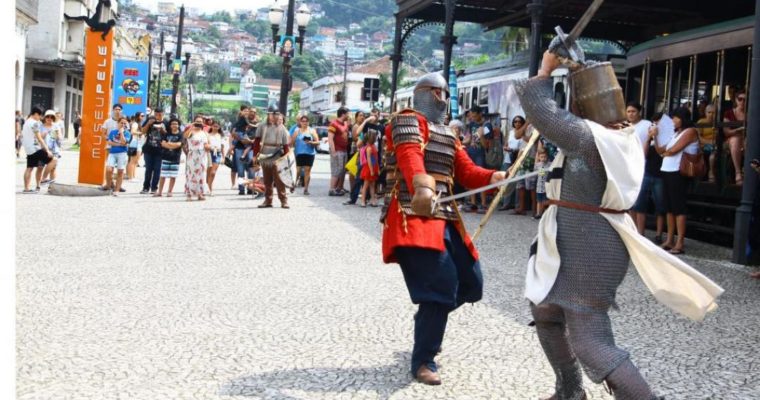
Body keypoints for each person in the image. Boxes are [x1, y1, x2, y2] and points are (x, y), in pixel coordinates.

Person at [516, 45, 723, 400]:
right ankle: (569, 391)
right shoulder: (615, 137)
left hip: (589, 244)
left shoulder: (592, 139)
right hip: (572, 239)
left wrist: (545, 70)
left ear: (583, 106)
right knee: (546, 310)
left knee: (589, 338)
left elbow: (543, 114)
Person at [381, 72, 506, 385]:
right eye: (438, 93)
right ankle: (423, 359)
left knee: (470, 284)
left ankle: (428, 317)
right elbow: (410, 156)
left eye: (445, 93)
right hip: (415, 213)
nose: (443, 98)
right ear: (424, 93)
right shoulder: (407, 120)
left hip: (446, 216)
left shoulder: (449, 133)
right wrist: (422, 185)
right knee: (440, 287)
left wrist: (492, 177)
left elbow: (465, 171)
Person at [652, 107, 699, 255]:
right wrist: (655, 137)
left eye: (675, 118)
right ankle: (669, 239)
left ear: (682, 118)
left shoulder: (690, 131)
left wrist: (665, 153)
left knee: (679, 208)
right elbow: (661, 151)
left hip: (678, 172)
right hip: (667, 170)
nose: (673, 121)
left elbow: (674, 150)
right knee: (669, 208)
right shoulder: (675, 134)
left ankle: (680, 242)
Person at [627, 102, 665, 241]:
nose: (630, 114)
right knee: (631, 201)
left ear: (639, 112)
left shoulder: (647, 125)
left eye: (633, 111)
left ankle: (641, 232)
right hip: (629, 165)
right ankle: (633, 229)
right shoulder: (625, 126)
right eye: (628, 111)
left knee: (642, 202)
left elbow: (654, 144)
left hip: (645, 166)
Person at [254, 107, 290, 208]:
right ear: (268, 115)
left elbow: (286, 145)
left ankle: (283, 200)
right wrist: (255, 156)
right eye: (272, 114)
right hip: (265, 154)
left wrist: (286, 158)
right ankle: (268, 200)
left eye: (276, 114)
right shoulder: (262, 126)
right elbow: (256, 142)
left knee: (279, 179)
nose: (274, 117)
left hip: (277, 154)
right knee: (267, 180)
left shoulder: (281, 127)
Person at [462, 105, 491, 213]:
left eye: (474, 116)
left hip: (481, 154)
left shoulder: (487, 126)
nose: (472, 118)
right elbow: (469, 139)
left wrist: (481, 135)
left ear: (480, 114)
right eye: (471, 116)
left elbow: (487, 145)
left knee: (481, 177)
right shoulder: (472, 124)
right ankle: (473, 203)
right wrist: (460, 142)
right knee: (471, 177)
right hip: (471, 153)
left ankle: (483, 204)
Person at [498, 116, 524, 211]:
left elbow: (523, 147)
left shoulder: (523, 133)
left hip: (518, 158)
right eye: (515, 121)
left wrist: (514, 150)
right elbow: (506, 143)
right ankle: (506, 203)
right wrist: (506, 148)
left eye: (519, 121)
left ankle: (517, 205)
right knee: (506, 180)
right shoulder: (511, 132)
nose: (517, 123)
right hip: (508, 158)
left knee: (518, 183)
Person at [21, 107, 50, 193]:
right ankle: (44, 179)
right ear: (36, 114)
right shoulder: (34, 123)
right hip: (34, 148)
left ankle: (26, 188)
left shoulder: (26, 122)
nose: (40, 118)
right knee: (53, 159)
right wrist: (47, 149)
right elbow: (39, 137)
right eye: (40, 115)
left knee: (29, 168)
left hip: (28, 148)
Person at [290, 115, 319, 195]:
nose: (304, 123)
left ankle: (306, 189)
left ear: (308, 122)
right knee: (298, 171)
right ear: (300, 122)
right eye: (303, 121)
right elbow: (291, 143)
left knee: (307, 171)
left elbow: (317, 142)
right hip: (299, 153)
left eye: (306, 121)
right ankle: (294, 185)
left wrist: (311, 142)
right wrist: (291, 151)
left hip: (309, 153)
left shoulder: (312, 131)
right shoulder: (297, 131)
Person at [141, 108, 167, 194]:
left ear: (163, 114)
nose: (158, 116)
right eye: (156, 114)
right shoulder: (150, 120)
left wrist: (163, 130)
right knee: (148, 169)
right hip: (148, 149)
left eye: (160, 114)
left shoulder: (166, 122)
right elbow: (142, 131)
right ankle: (145, 187)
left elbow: (168, 135)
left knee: (157, 169)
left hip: (160, 150)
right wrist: (148, 124)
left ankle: (154, 187)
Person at [723, 89, 746, 185]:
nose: (742, 102)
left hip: (745, 139)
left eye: (745, 100)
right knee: (735, 140)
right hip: (731, 140)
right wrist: (738, 130)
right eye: (740, 99)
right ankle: (738, 172)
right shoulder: (729, 113)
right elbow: (726, 132)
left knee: (749, 142)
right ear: (736, 100)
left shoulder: (751, 113)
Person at [155, 118, 183, 197]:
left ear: (178, 125)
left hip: (175, 157)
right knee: (163, 175)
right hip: (165, 156)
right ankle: (160, 191)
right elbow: (163, 144)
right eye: (172, 124)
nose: (174, 125)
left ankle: (170, 191)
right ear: (170, 125)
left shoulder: (181, 134)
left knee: (173, 175)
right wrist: (172, 145)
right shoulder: (166, 134)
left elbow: (179, 144)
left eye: (176, 124)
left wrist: (169, 145)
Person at [184, 117, 210, 201]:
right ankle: (189, 194)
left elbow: (206, 144)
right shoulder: (191, 132)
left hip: (202, 155)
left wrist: (208, 147)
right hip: (192, 154)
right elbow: (185, 136)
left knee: (202, 174)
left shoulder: (204, 133)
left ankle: (200, 193)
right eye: (197, 121)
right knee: (191, 174)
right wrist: (191, 127)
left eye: (200, 122)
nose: (199, 123)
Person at [105, 116, 131, 195]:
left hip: (122, 153)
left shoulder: (127, 133)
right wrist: (118, 144)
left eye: (124, 123)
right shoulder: (113, 132)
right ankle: (109, 185)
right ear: (118, 123)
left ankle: (117, 189)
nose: (122, 124)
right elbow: (109, 142)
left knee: (120, 171)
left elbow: (124, 142)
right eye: (121, 123)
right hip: (112, 153)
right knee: (109, 169)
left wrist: (122, 132)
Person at [328, 107, 350, 196]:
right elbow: (330, 139)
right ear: (343, 114)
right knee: (336, 170)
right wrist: (333, 152)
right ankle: (332, 189)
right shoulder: (334, 124)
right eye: (348, 113)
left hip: (344, 150)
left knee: (342, 170)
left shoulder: (345, 123)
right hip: (337, 150)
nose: (349, 115)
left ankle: (338, 188)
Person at [40, 110, 62, 185]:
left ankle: (52, 186)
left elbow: (59, 138)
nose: (49, 118)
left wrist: (58, 135)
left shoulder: (56, 126)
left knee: (53, 168)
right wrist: (46, 132)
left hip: (54, 149)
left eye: (52, 117)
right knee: (40, 167)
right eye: (48, 117)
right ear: (45, 117)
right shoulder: (41, 126)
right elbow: (38, 138)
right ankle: (41, 180)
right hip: (43, 149)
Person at [697, 104, 718, 183]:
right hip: (704, 145)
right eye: (709, 112)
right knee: (713, 149)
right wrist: (710, 142)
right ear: (705, 113)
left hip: (716, 145)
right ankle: (709, 173)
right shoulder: (701, 122)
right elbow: (698, 137)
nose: (711, 115)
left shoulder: (718, 123)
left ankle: (711, 172)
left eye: (714, 113)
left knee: (714, 151)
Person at [359, 129, 380, 207]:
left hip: (373, 168)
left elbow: (375, 159)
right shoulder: (369, 148)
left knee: (372, 185)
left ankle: (372, 200)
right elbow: (369, 160)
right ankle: (363, 201)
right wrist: (371, 170)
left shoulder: (373, 146)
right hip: (369, 168)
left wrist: (377, 168)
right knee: (366, 185)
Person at [207, 120, 224, 195]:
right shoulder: (207, 135)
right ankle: (207, 187)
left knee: (213, 173)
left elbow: (222, 147)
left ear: (219, 127)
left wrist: (223, 157)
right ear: (211, 126)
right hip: (209, 153)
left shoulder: (221, 136)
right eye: (214, 126)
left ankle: (210, 188)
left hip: (218, 153)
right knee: (208, 172)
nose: (215, 127)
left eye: (217, 126)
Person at [126, 112, 144, 181]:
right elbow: (132, 132)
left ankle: (133, 176)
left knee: (136, 161)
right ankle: (131, 177)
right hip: (134, 143)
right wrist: (141, 133)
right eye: (141, 116)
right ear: (138, 116)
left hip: (138, 143)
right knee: (132, 161)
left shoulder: (138, 124)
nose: (143, 117)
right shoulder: (135, 124)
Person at [533, 149, 549, 219]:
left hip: (546, 187)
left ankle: (542, 213)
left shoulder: (549, 164)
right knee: (539, 200)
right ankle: (538, 213)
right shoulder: (538, 165)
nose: (543, 158)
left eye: (544, 157)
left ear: (547, 157)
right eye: (541, 157)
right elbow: (538, 172)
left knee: (544, 201)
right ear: (539, 158)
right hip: (539, 186)